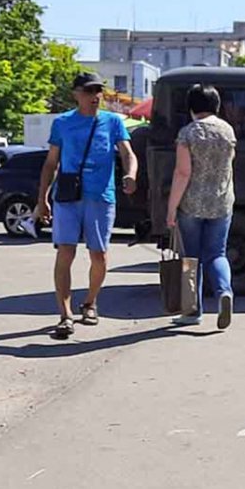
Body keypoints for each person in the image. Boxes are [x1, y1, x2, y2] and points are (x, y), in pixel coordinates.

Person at [35, 72, 138, 340]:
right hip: (68, 197)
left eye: (98, 91)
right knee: (65, 253)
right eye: (89, 91)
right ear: (76, 94)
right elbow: (50, 163)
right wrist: (42, 199)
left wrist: (131, 174)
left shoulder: (112, 121)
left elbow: (128, 153)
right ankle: (65, 315)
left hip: (101, 197)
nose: (96, 96)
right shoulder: (63, 123)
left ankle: (90, 302)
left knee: (99, 255)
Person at [164, 84, 237, 329]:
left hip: (192, 204)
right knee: (217, 253)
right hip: (221, 202)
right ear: (216, 105)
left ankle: (192, 311)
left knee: (190, 258)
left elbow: (182, 172)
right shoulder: (228, 131)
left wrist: (171, 208)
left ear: (192, 106)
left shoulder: (188, 133)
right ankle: (224, 292)